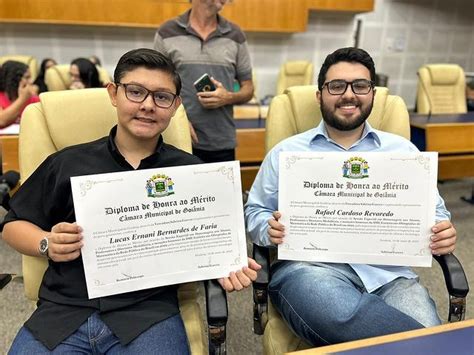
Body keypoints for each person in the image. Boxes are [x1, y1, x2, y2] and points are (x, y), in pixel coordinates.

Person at [2, 48, 260, 353]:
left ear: (176, 105)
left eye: (162, 97)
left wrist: (223, 261)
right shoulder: (67, 163)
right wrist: (47, 242)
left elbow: (209, 239)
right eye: (135, 92)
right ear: (113, 93)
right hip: (65, 310)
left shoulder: (195, 175)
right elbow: (12, 224)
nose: (148, 105)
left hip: (148, 314)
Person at [245, 47, 457, 346]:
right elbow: (254, 211)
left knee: (423, 323)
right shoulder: (286, 153)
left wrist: (442, 230)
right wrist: (268, 227)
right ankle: (430, 348)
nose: (349, 94)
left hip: (390, 274)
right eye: (336, 86)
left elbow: (436, 213)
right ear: (320, 95)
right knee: (344, 316)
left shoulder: (404, 154)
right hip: (311, 268)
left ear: (372, 93)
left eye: (360, 86)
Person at [154, 0, 254, 163]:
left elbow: (249, 89)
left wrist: (228, 97)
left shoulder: (236, 35)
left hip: (221, 142)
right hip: (176, 140)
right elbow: (156, 88)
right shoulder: (167, 32)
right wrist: (177, 119)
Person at [0, 60, 39, 128]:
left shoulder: (34, 99)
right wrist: (22, 99)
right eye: (27, 77)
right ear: (14, 80)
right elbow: (1, 121)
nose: (31, 81)